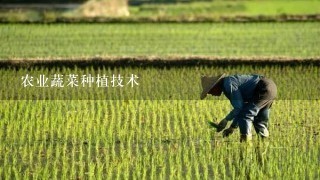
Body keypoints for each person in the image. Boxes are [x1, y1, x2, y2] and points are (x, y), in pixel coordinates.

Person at [200, 73, 277, 142]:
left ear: (214, 86)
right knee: (259, 121)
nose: (212, 94)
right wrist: (232, 128)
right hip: (270, 87)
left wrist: (226, 120)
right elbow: (240, 109)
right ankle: (264, 144)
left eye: (210, 92)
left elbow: (239, 108)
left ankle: (245, 144)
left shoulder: (228, 84)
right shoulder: (228, 83)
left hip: (263, 88)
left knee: (246, 115)